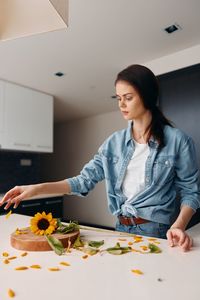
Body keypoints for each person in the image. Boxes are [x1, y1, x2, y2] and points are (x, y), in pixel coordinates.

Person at [0, 64, 199, 251]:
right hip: (121, 228)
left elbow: (191, 191)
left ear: (147, 96)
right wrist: (35, 189)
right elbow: (83, 181)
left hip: (158, 232)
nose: (121, 104)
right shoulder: (114, 143)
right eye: (118, 97)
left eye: (128, 97)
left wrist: (178, 226)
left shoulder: (178, 141)